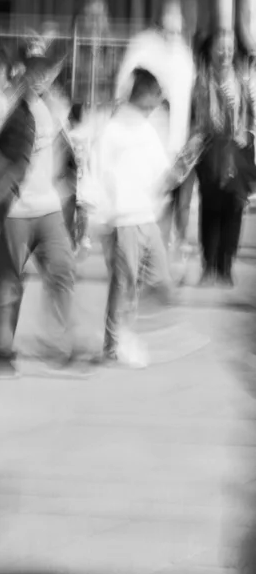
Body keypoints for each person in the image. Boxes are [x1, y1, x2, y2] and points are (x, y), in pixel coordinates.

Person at [0, 38, 78, 373]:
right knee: (7, 283)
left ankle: (59, 347)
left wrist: (71, 191)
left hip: (48, 208)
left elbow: (63, 152)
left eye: (47, 68)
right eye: (36, 68)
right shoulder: (3, 103)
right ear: (24, 67)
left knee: (62, 271)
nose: (42, 75)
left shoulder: (55, 104)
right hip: (14, 211)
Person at [92, 69, 174, 368]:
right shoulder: (114, 129)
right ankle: (112, 344)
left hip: (146, 217)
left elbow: (162, 172)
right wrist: (101, 216)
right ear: (143, 95)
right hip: (123, 218)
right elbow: (99, 170)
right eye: (154, 97)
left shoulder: (146, 128)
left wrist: (174, 175)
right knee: (122, 284)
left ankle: (129, 330)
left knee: (160, 278)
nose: (156, 104)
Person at [116, 0, 196, 256]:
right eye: (168, 26)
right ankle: (142, 254)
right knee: (146, 202)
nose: (172, 33)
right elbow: (123, 88)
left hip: (176, 140)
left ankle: (162, 251)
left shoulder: (184, 54)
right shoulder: (142, 46)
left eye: (176, 27)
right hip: (144, 139)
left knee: (170, 201)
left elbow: (188, 97)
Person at [177, 29, 253, 285]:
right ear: (211, 51)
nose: (225, 53)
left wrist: (247, 134)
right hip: (209, 152)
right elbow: (191, 118)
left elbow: (251, 116)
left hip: (236, 153)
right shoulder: (200, 82)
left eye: (229, 49)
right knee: (210, 208)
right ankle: (209, 265)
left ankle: (225, 266)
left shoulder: (241, 83)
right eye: (220, 48)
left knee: (234, 207)